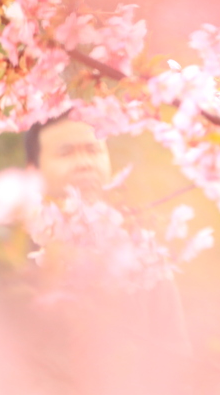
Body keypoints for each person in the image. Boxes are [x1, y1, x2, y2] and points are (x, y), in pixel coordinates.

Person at [24, 113, 192, 356]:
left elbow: (177, 356)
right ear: (33, 170)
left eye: (94, 150)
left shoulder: (145, 256)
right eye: (65, 153)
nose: (84, 163)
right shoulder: (9, 252)